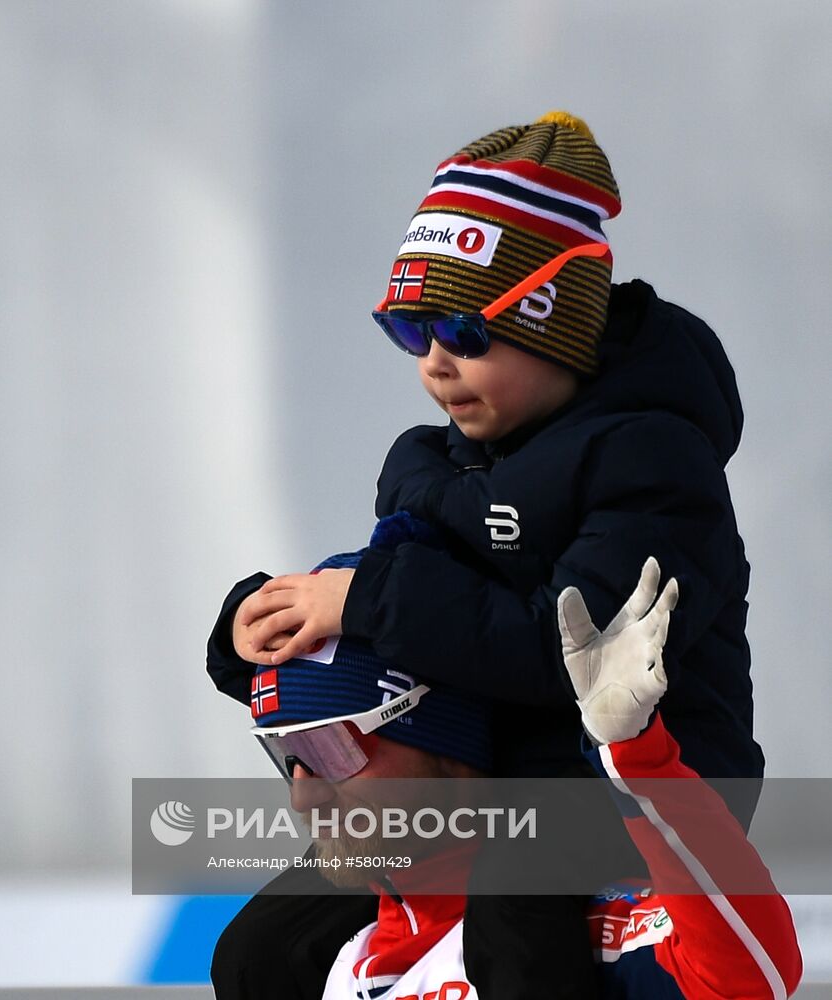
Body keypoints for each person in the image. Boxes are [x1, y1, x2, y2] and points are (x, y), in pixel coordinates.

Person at [213, 112, 762, 999]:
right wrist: (256, 623)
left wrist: (364, 599)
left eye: (464, 332)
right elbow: (388, 595)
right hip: (486, 778)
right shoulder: (432, 463)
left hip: (629, 786)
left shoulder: (649, 462)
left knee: (508, 927)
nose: (434, 364)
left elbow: (573, 654)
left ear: (557, 323)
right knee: (262, 945)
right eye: (409, 332)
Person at [247, 558, 801, 999]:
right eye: (286, 754)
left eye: (327, 747)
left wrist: (640, 759)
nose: (302, 793)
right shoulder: (330, 966)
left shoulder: (564, 932)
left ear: (440, 738)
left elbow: (749, 979)